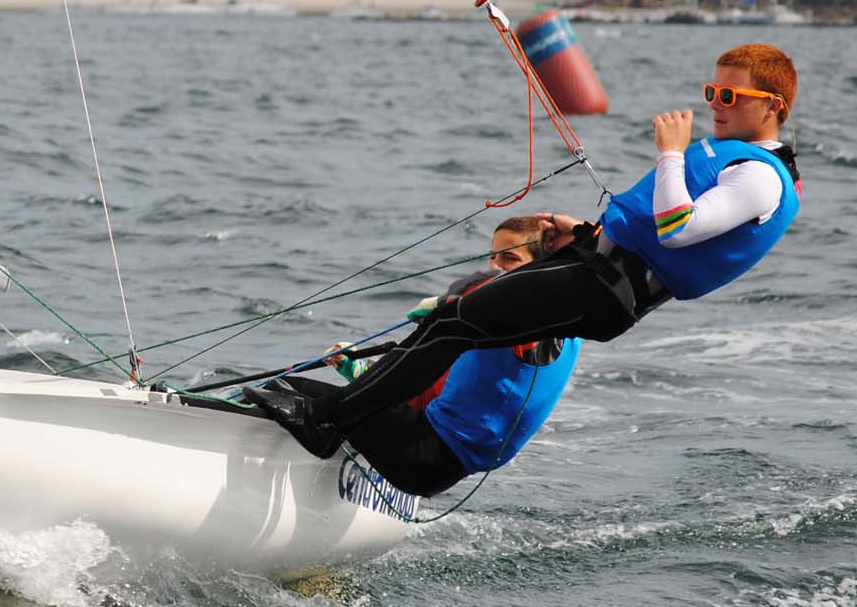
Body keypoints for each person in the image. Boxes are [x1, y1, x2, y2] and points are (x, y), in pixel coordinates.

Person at [251, 42, 801, 460]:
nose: (715, 106)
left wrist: (671, 153)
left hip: (605, 293)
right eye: (711, 93)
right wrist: (585, 234)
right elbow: (655, 239)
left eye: (729, 97)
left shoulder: (760, 177)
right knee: (451, 320)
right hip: (594, 269)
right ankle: (339, 412)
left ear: (772, 106)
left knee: (456, 321)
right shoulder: (738, 160)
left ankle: (327, 421)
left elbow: (678, 226)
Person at [259, 217, 579, 496]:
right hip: (431, 459)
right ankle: (326, 455)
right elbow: (427, 392)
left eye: (509, 258)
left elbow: (518, 292)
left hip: (425, 456)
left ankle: (293, 469)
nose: (495, 265)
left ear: (538, 267)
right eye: (492, 256)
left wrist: (453, 302)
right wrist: (361, 371)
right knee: (326, 401)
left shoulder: (539, 328)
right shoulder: (516, 332)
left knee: (284, 388)